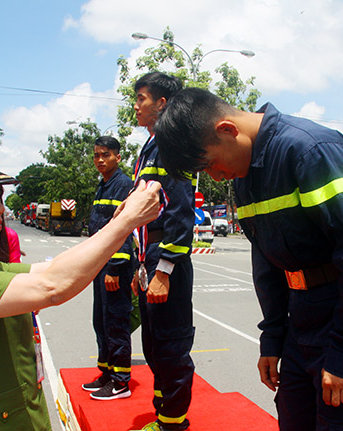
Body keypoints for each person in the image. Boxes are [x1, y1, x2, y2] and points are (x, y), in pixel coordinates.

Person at [154, 88, 343, 431]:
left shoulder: (311, 150)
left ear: (228, 130)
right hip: (300, 319)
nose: (217, 175)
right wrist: (272, 336)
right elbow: (268, 260)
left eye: (210, 163)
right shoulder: (245, 175)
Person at [0, 122, 162, 431]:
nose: (1, 208)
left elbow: (53, 270)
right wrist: (129, 220)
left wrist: (122, 221)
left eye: (1, 196)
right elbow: (52, 287)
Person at [130, 72, 195, 431]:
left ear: (162, 104)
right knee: (153, 345)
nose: (136, 105)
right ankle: (162, 415)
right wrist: (141, 265)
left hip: (166, 258)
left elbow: (179, 210)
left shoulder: (171, 145)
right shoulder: (151, 146)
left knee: (170, 346)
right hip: (150, 256)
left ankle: (173, 423)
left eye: (142, 98)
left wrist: (163, 270)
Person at [82, 136, 135, 400]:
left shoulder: (123, 185)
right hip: (100, 262)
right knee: (101, 321)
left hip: (115, 265)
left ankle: (121, 381)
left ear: (118, 157)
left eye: (106, 155)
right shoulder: (104, 185)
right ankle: (106, 372)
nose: (100, 160)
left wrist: (114, 267)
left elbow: (123, 228)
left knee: (116, 321)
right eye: (96, 155)